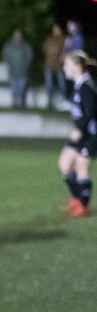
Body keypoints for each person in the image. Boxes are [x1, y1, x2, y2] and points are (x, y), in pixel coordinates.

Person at [58, 52, 96, 218]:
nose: (64, 68)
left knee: (81, 166)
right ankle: (76, 198)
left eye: (67, 65)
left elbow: (91, 111)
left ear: (77, 67)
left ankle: (83, 205)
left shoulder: (86, 86)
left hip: (91, 135)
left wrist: (79, 129)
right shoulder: (79, 85)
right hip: (82, 134)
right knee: (65, 164)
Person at [2, 29, 32, 109]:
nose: (17, 37)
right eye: (16, 35)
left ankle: (22, 103)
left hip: (22, 71)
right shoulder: (8, 46)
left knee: (22, 89)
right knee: (14, 89)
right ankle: (14, 103)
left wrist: (26, 64)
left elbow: (30, 55)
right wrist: (9, 63)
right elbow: (5, 55)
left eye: (19, 35)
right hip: (13, 71)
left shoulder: (25, 46)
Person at [44, 24, 67, 109]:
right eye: (54, 29)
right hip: (49, 65)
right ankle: (49, 101)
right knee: (48, 84)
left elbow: (63, 50)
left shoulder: (63, 39)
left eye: (57, 29)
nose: (55, 31)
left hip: (59, 66)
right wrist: (54, 50)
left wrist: (56, 51)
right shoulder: (49, 39)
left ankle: (63, 100)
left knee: (62, 83)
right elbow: (47, 49)